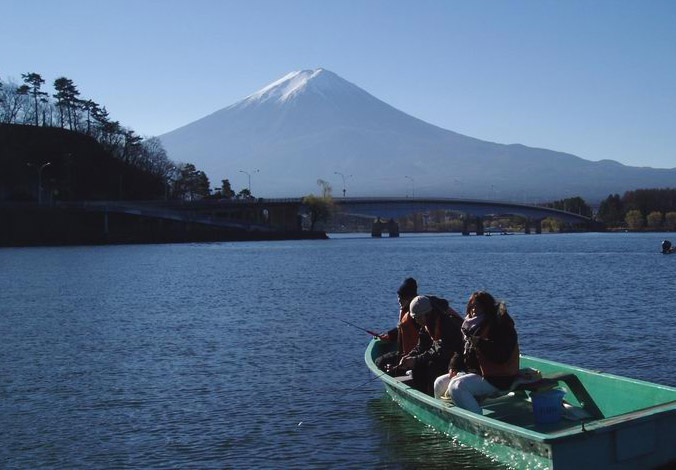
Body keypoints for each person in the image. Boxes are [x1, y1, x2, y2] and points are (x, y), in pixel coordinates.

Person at [434, 291, 519, 415]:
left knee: (457, 386)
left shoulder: (500, 325)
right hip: (477, 373)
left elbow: (502, 355)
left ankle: (479, 425)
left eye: (478, 306)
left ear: (487, 307)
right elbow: (462, 350)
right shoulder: (471, 326)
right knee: (439, 383)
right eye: (471, 306)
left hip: (498, 378)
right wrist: (454, 365)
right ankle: (442, 416)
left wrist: (479, 342)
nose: (473, 309)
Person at [396, 295, 464, 395]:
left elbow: (440, 350)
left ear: (427, 314)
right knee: (419, 367)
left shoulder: (447, 323)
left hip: (458, 359)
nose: (416, 321)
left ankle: (433, 397)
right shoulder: (427, 324)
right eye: (414, 318)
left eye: (417, 317)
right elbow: (422, 346)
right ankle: (423, 395)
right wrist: (409, 356)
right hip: (443, 355)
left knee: (432, 366)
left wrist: (416, 360)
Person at [375, 278, 419, 372]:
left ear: (410, 298)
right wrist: (389, 335)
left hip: (412, 355)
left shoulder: (416, 313)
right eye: (398, 296)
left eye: (402, 297)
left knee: (379, 361)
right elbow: (403, 329)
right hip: (407, 354)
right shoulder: (408, 309)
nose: (399, 300)